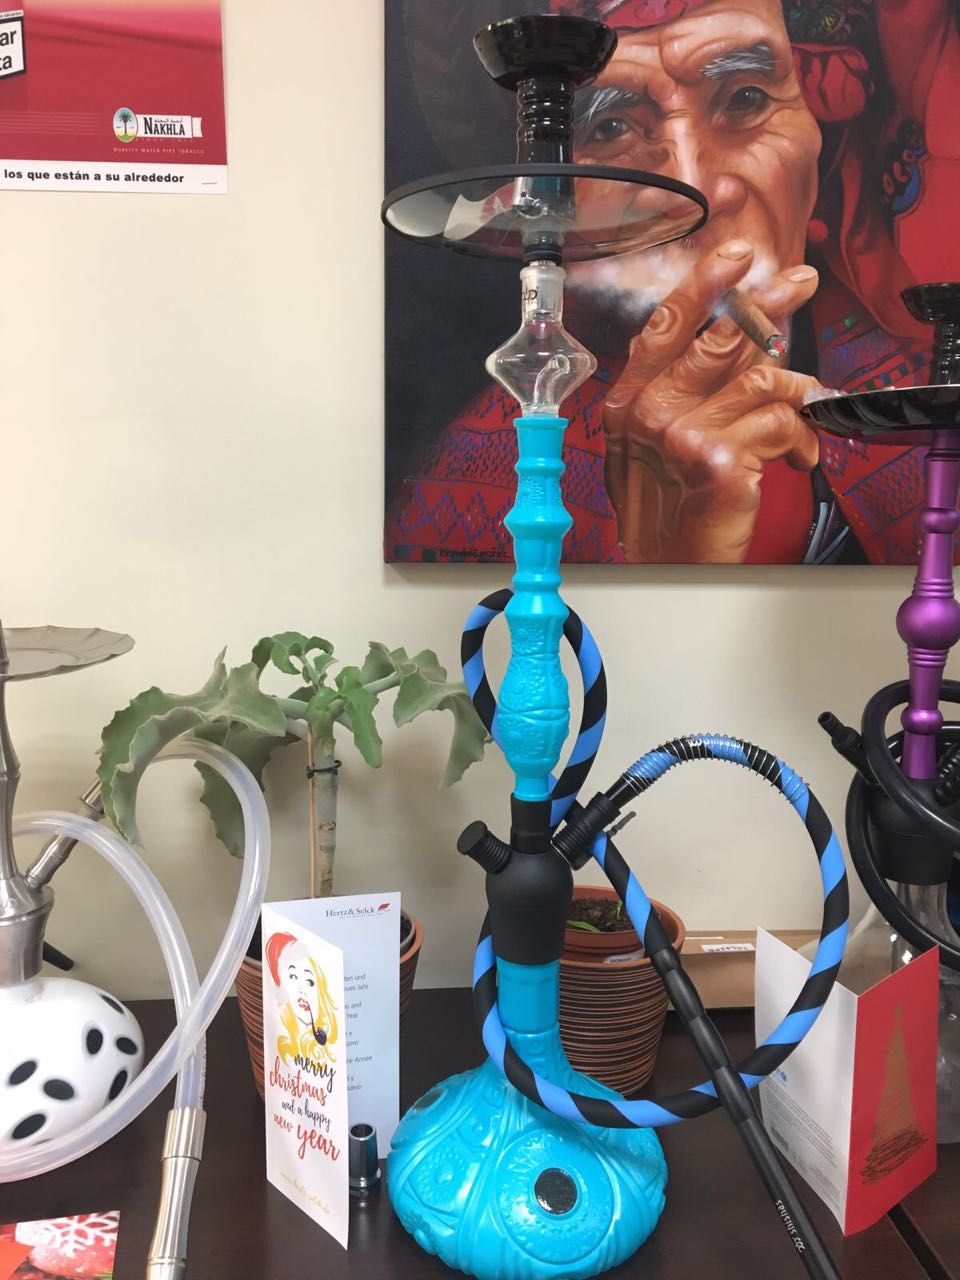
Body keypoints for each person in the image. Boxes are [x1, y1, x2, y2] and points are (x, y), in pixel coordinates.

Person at [385, 0, 959, 564]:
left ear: (819, 151)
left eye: (746, 99)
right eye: (612, 127)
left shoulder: (919, 405)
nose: (697, 192)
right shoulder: (470, 494)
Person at [265, 931, 339, 1069]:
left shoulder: (328, 1041)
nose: (301, 989)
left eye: (309, 981)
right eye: (293, 976)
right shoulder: (280, 1034)